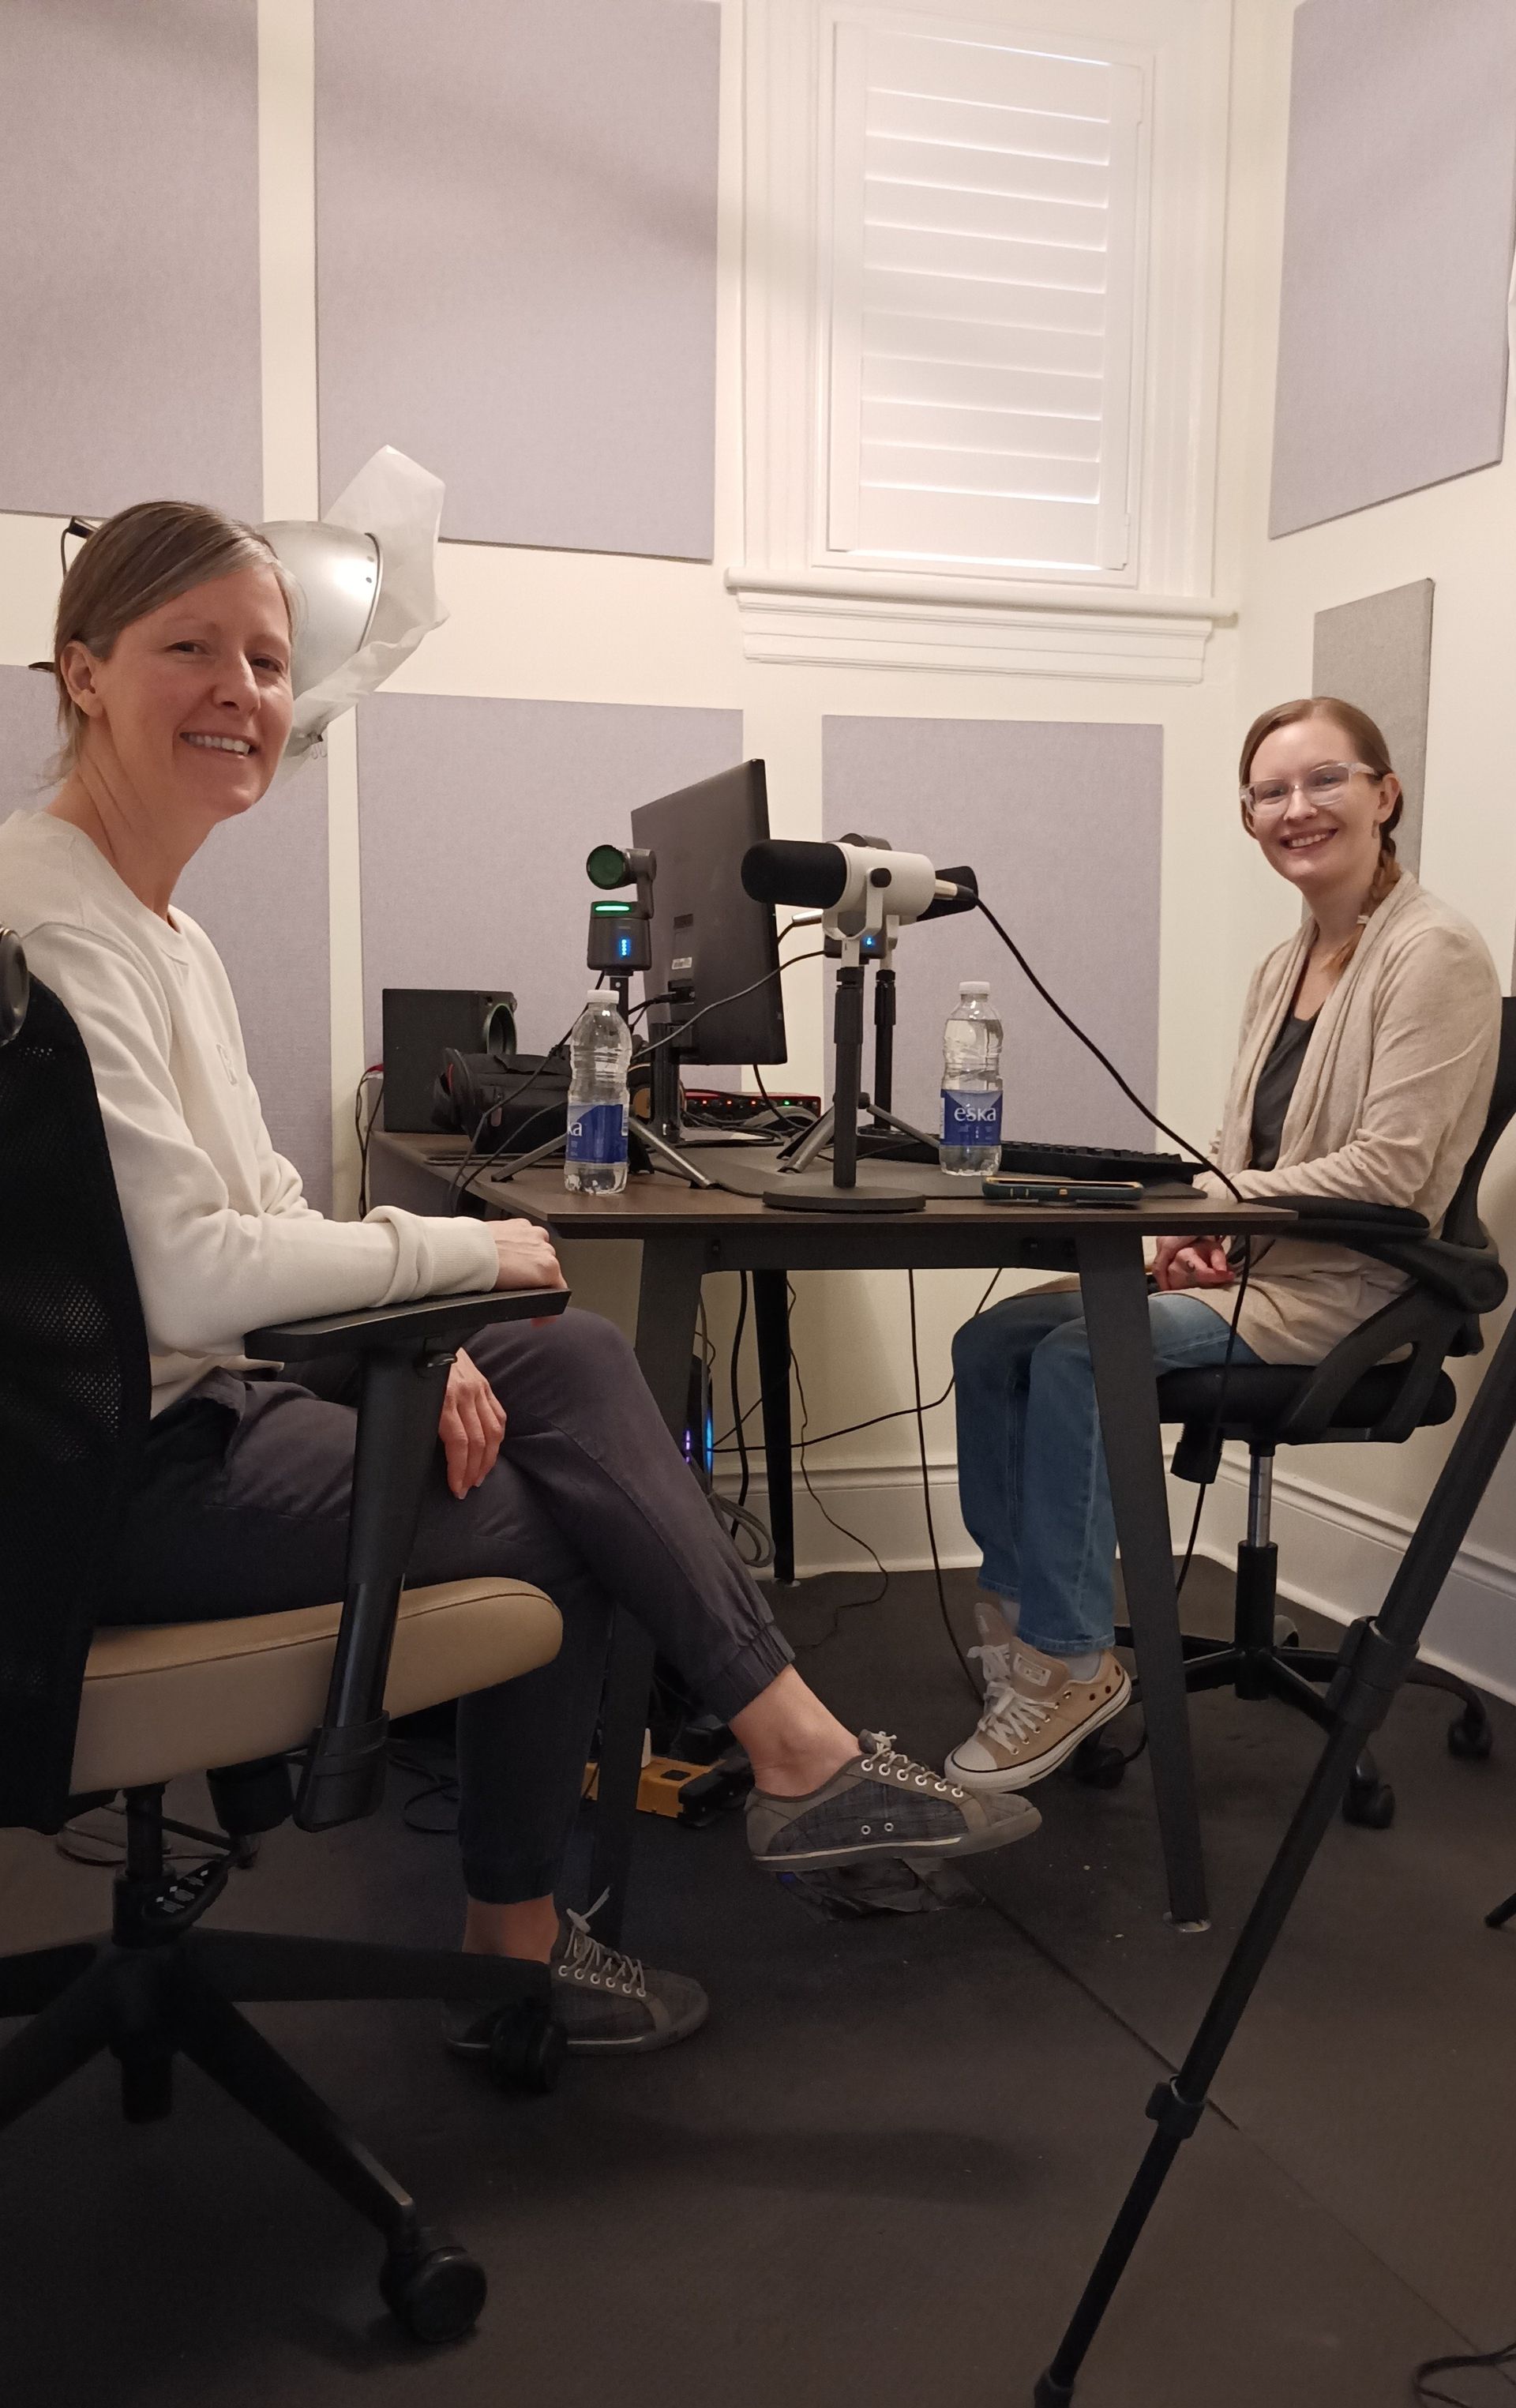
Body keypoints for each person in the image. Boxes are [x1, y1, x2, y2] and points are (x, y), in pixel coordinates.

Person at [0, 502, 1043, 2061]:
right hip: (95, 1488)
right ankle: (549, 1937)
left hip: (175, 1424)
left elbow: (263, 1199)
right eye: (190, 649)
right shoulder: (51, 923)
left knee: (559, 1364)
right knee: (579, 1505)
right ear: (84, 670)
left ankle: (762, 1778)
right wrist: (460, 1254)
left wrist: (434, 1327)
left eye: (269, 661)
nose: (242, 690)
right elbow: (179, 1271)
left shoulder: (160, 926)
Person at [947, 694, 1501, 1797]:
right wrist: (1205, 1237)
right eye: (1269, 792)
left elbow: (1392, 1172)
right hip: (1266, 1270)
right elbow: (1240, 1146)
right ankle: (1024, 1632)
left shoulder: (1434, 952)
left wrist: (1221, 1208)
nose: (1295, 809)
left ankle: (1068, 1661)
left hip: (1356, 1289)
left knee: (1078, 1352)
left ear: (1385, 795)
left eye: (1324, 780)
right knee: (991, 1340)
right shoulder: (1281, 965)